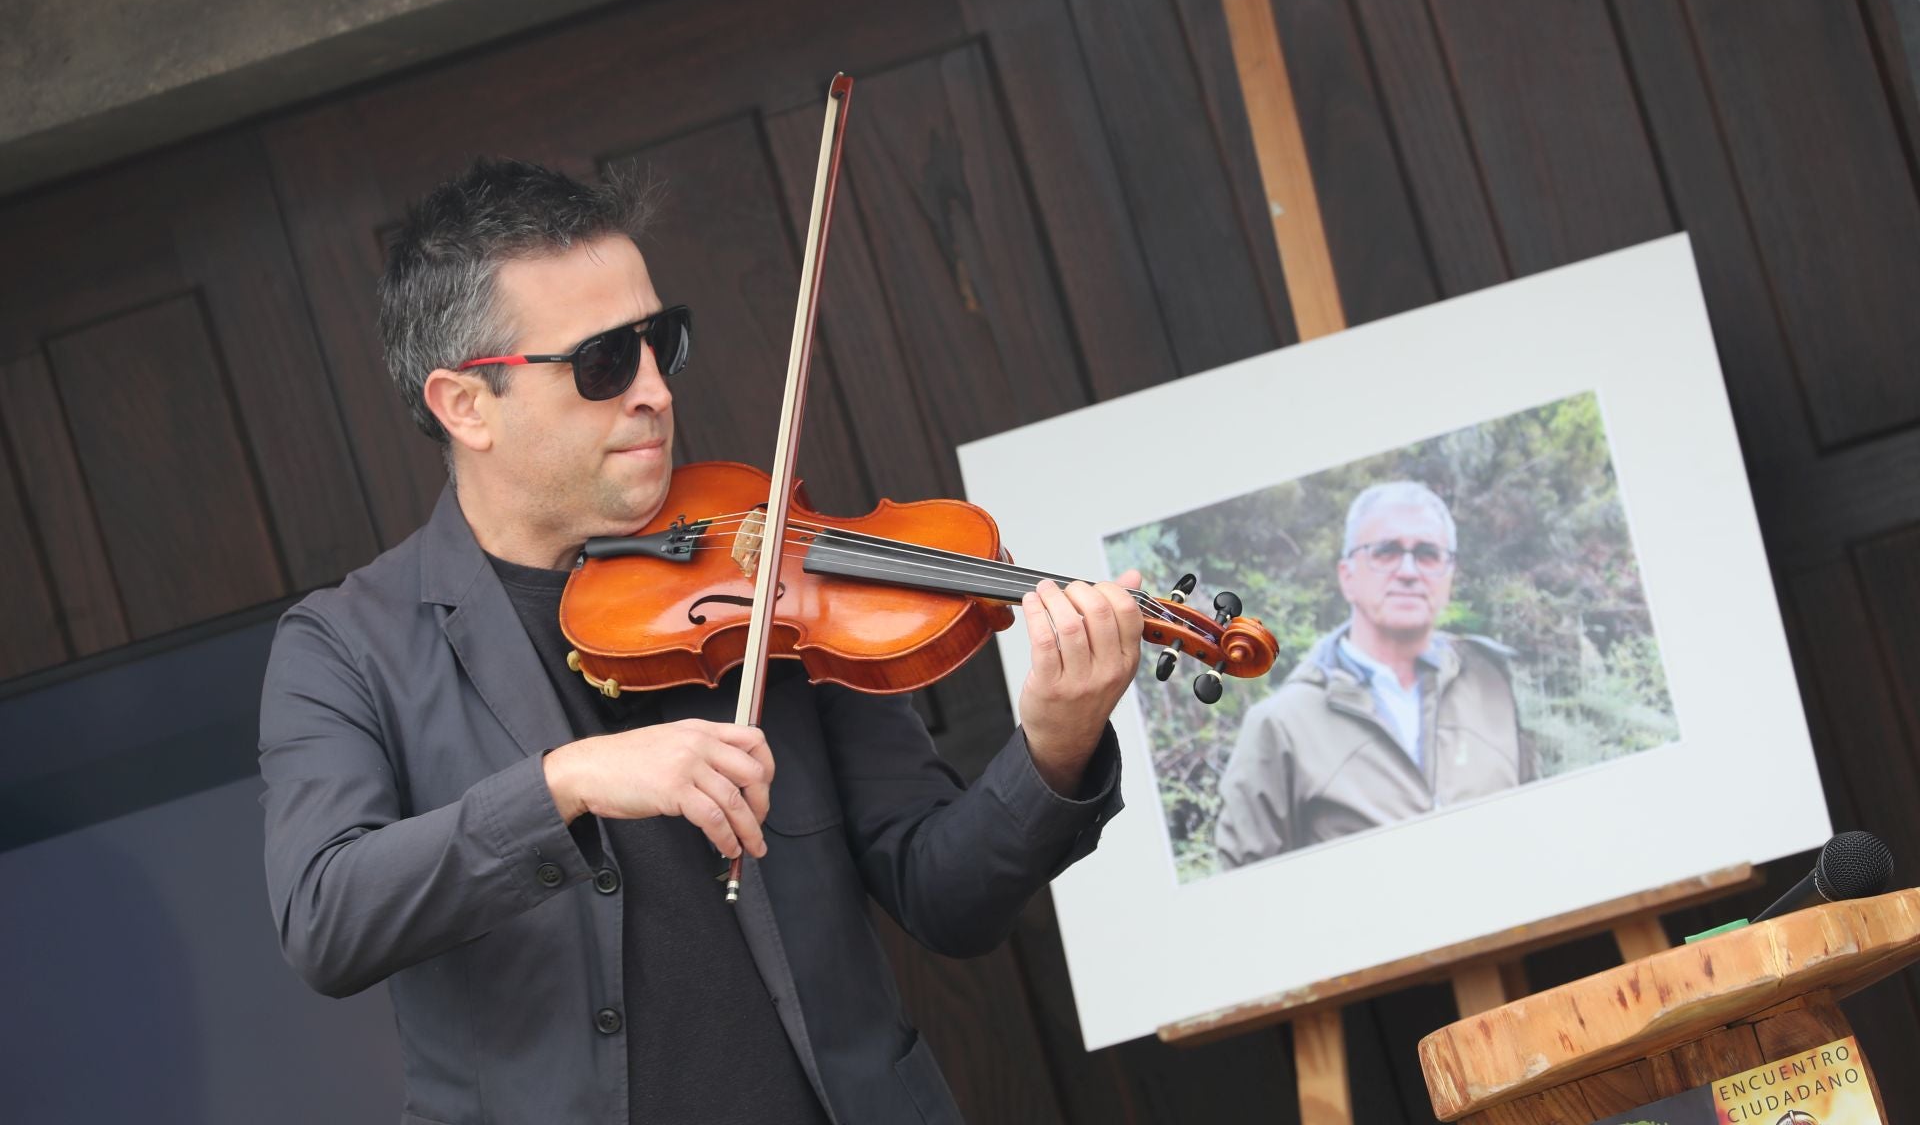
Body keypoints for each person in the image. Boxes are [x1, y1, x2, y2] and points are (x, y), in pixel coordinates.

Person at [257, 159, 1143, 1125]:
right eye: (603, 362)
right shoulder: (347, 648)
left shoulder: (768, 572)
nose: (654, 390)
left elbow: (946, 896)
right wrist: (568, 782)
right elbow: (326, 916)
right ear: (466, 404)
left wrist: (1055, 750)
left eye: (660, 342)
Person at [1214, 480, 1536, 868]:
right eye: (1385, 552)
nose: (1408, 571)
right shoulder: (1282, 725)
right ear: (1347, 576)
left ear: (1449, 576)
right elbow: (1244, 884)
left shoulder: (1496, 685)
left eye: (1428, 554)